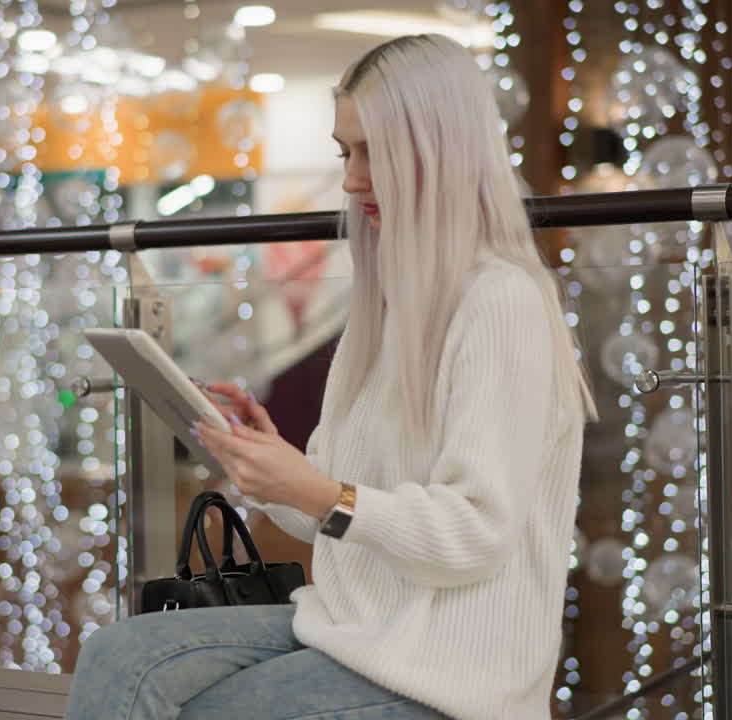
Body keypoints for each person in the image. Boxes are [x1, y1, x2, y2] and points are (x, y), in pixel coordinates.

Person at [65, 34, 596, 720]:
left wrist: (319, 492)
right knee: (117, 655)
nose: (350, 179)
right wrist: (269, 465)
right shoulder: (388, 302)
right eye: (347, 153)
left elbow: (473, 533)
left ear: (438, 149)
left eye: (374, 151)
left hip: (449, 675)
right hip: (353, 628)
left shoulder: (501, 302)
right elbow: (333, 514)